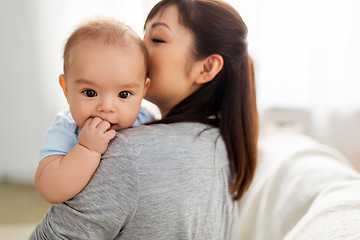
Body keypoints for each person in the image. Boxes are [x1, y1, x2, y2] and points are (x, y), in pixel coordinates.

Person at [30, 1, 360, 240]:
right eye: (143, 35)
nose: (138, 51)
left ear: (206, 67)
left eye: (156, 39)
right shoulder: (224, 144)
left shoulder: (129, 152)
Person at [35, 19, 151, 204]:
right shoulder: (66, 130)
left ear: (143, 91)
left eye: (124, 94)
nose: (106, 107)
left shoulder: (147, 120)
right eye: (90, 93)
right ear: (66, 89)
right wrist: (87, 149)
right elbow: (50, 190)